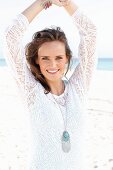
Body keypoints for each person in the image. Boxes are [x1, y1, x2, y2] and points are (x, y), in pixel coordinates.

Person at [4, 0, 97, 169]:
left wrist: (67, 4)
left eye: (58, 58)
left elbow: (90, 33)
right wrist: (42, 2)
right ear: (37, 61)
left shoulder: (79, 88)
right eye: (45, 58)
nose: (53, 65)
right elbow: (11, 36)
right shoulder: (31, 90)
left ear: (67, 58)